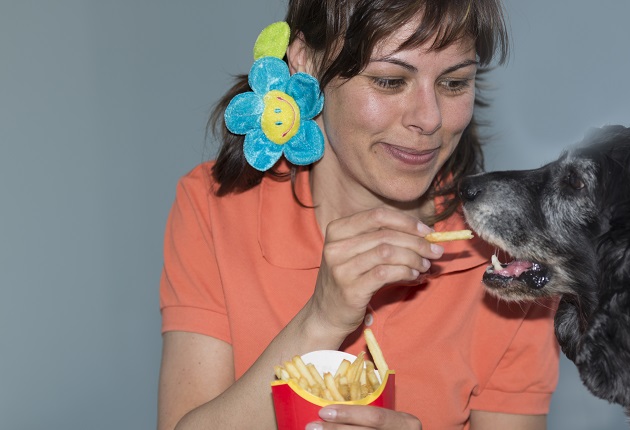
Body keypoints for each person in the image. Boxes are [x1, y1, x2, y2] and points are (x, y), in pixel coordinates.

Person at [157, 0, 560, 429]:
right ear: (307, 65)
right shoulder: (214, 209)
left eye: (455, 82)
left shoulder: (508, 261)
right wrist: (321, 319)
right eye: (389, 81)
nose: (429, 118)